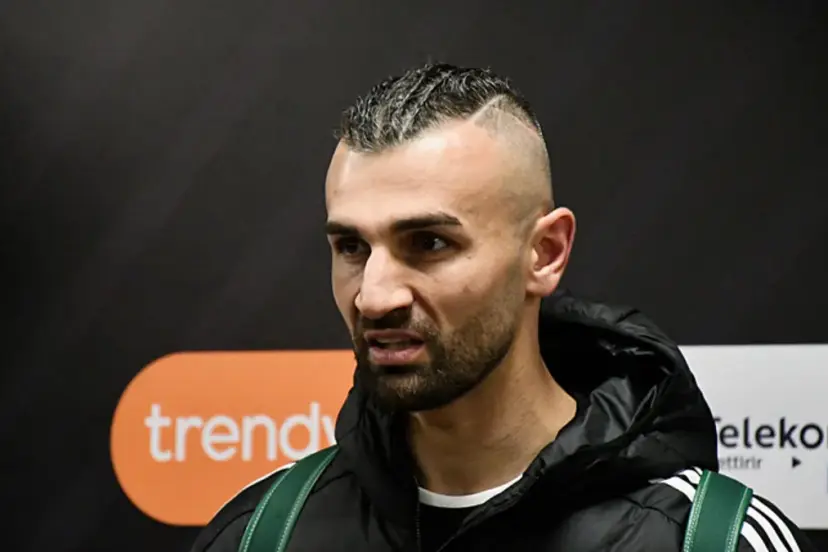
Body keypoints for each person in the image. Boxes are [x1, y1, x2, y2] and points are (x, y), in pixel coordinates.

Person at [189, 62, 816, 552]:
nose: (374, 295)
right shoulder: (261, 534)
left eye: (429, 243)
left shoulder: (709, 540)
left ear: (544, 253)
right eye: (352, 247)